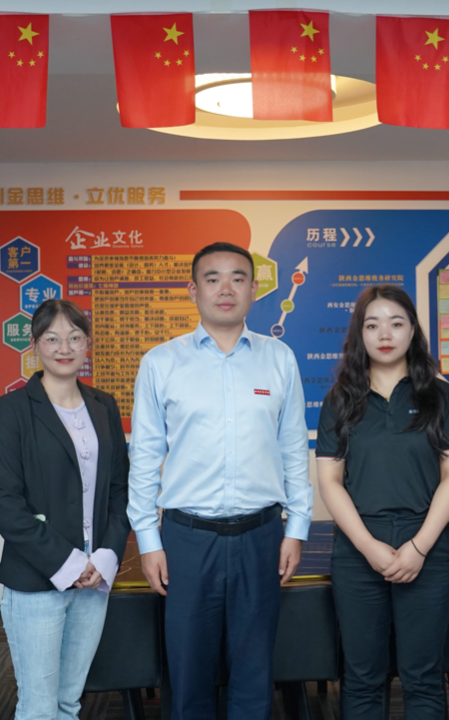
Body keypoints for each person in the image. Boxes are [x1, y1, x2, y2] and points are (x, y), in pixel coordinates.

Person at [128, 242, 313, 720]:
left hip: (262, 537)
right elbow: (144, 457)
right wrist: (148, 540)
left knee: (254, 671)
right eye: (212, 279)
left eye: (237, 278)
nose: (225, 288)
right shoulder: (161, 362)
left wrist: (296, 529)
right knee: (188, 671)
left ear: (254, 289)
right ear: (194, 290)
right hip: (187, 540)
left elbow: (294, 449)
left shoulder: (279, 358)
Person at [315, 285, 449, 719]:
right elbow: (330, 482)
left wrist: (419, 547)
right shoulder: (339, 400)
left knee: (423, 676)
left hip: (426, 543)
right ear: (359, 334)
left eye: (396, 323)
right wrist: (368, 547)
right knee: (362, 677)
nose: (385, 334)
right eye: (373, 325)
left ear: (413, 330)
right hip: (358, 548)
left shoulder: (441, 397)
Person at [0, 299, 130, 720]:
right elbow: (4, 503)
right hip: (37, 581)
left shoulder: (104, 405)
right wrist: (69, 563)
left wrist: (105, 556)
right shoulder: (11, 410)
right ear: (34, 346)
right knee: (39, 706)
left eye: (74, 337)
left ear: (88, 344)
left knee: (69, 702)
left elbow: (121, 490)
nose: (64, 348)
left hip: (94, 579)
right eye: (52, 339)